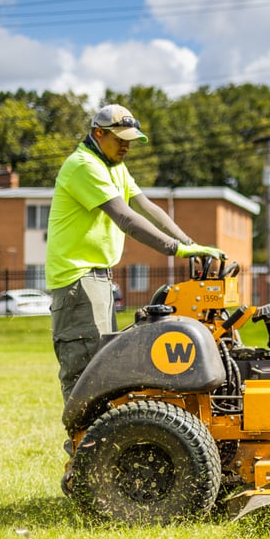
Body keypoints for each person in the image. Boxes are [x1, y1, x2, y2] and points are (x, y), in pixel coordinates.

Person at [46, 104, 223, 406]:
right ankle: (84, 447)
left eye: (131, 140)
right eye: (120, 139)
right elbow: (126, 218)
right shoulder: (84, 166)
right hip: (78, 281)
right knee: (86, 369)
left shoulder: (114, 167)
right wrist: (176, 249)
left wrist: (190, 245)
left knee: (104, 365)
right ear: (98, 134)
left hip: (98, 279)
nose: (127, 146)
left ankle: (102, 444)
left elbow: (148, 208)